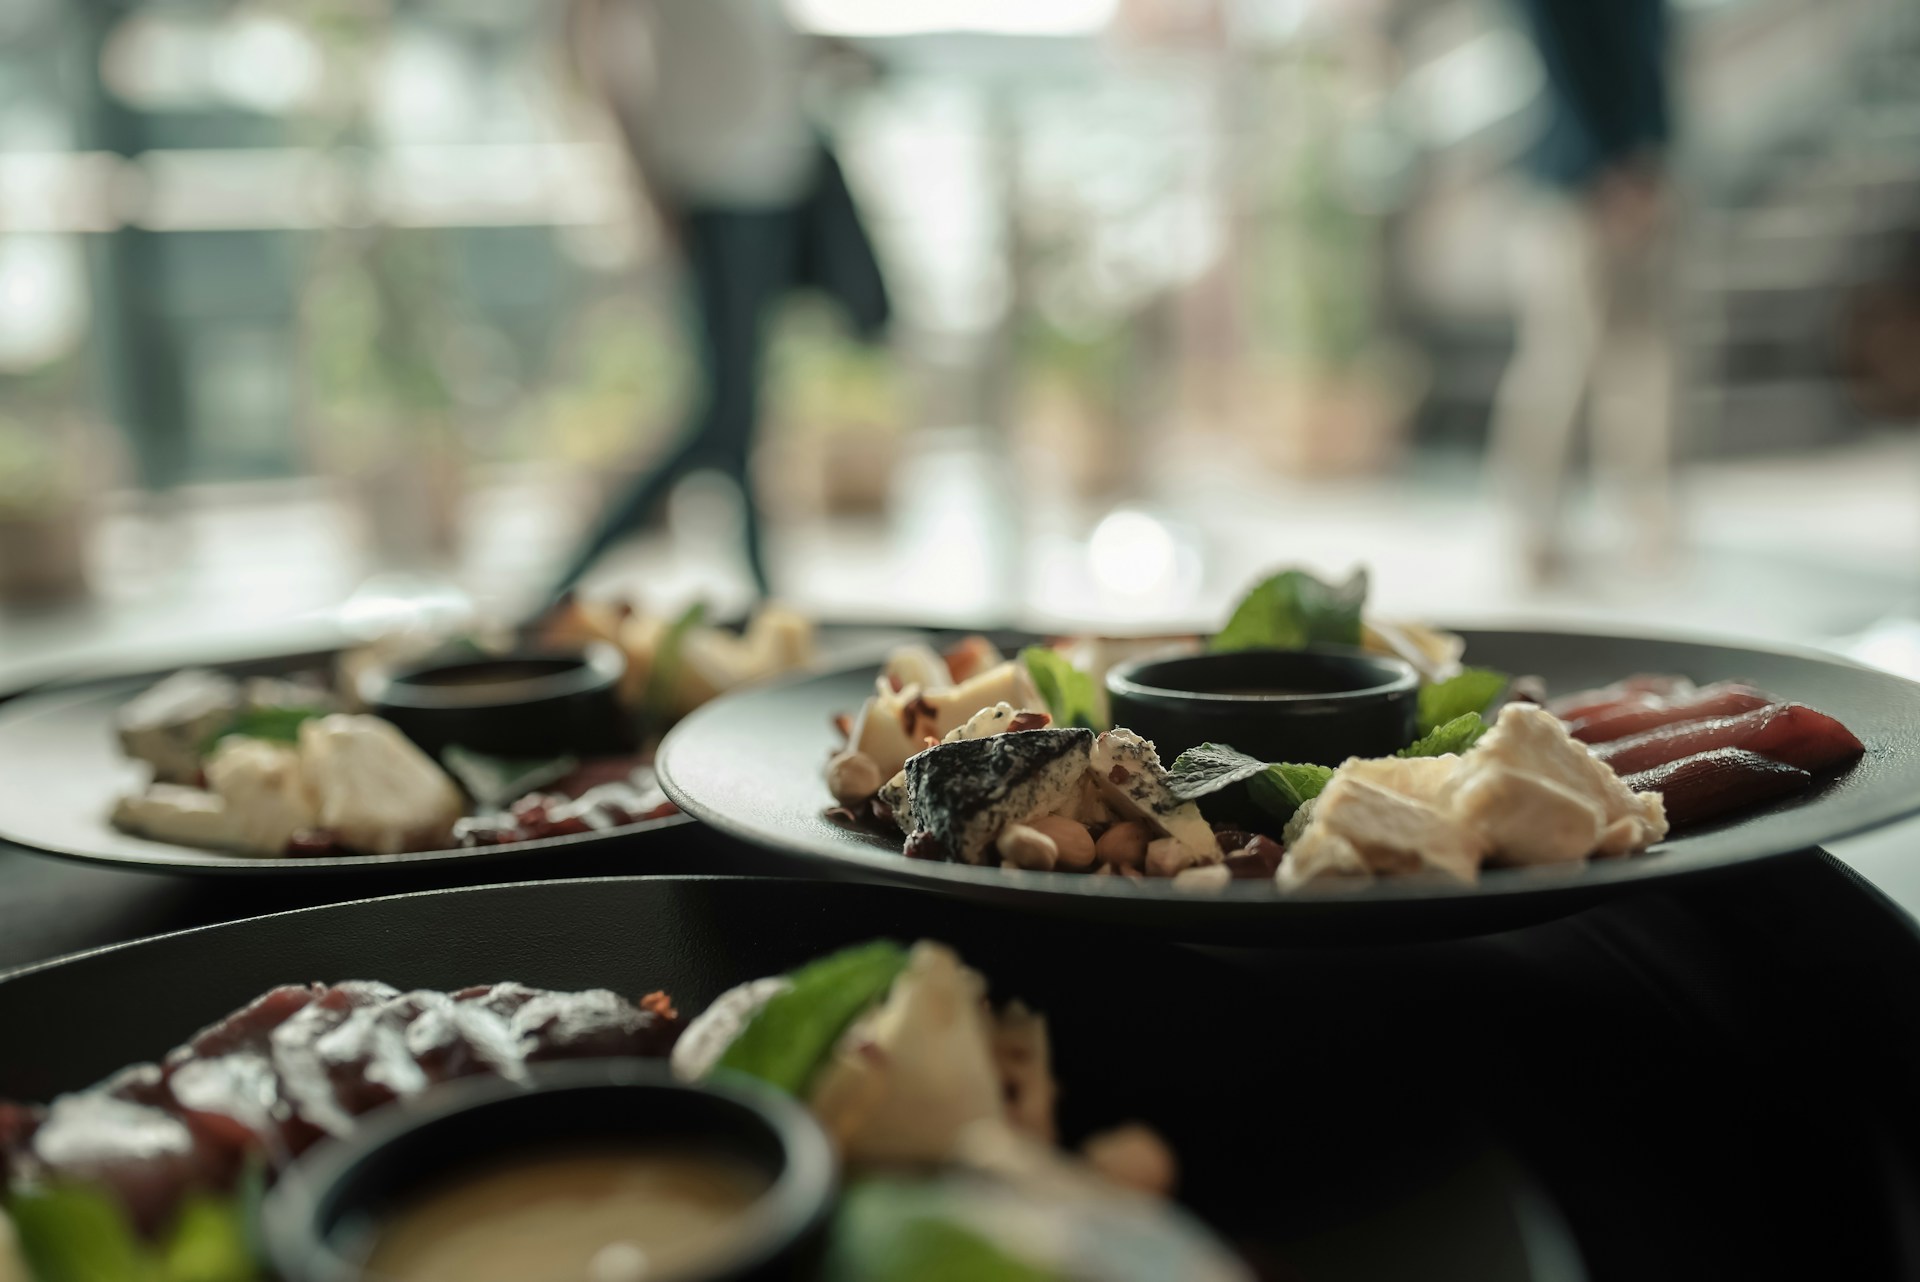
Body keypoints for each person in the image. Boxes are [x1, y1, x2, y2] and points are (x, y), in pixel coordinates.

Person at [557, 0, 890, 599]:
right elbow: (596, 47)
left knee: (743, 410)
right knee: (725, 415)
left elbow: (758, 43)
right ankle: (563, 585)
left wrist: (828, 53)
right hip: (715, 183)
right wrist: (640, 178)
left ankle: (767, 599)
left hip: (782, 178)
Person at [1487, 0, 1676, 583]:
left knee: (1640, 356)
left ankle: (1643, 517)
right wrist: (1611, 163)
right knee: (1562, 358)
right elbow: (1564, 56)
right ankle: (1532, 525)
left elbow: (1649, 53)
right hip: (1577, 180)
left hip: (1639, 168)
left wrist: (1647, 156)